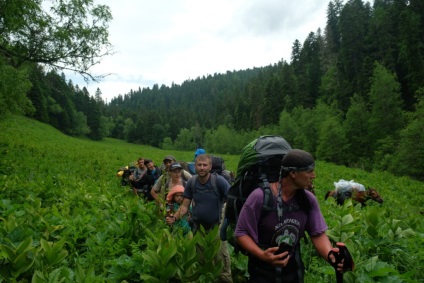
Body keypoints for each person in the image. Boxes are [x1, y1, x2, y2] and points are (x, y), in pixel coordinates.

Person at [235, 149, 347, 283]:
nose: (314, 176)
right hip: (262, 270)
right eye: (309, 171)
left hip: (293, 271)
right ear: (293, 173)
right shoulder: (260, 197)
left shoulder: (307, 199)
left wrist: (330, 255)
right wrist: (262, 255)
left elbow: (317, 234)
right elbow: (241, 232)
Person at [166, 154, 233, 283]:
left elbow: (231, 200)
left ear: (210, 166)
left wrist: (228, 221)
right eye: (199, 165)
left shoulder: (218, 181)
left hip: (216, 226)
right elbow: (185, 206)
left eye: (205, 165)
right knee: (202, 261)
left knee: (222, 259)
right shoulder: (192, 182)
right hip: (199, 228)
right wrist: (174, 218)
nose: (202, 168)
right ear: (195, 166)